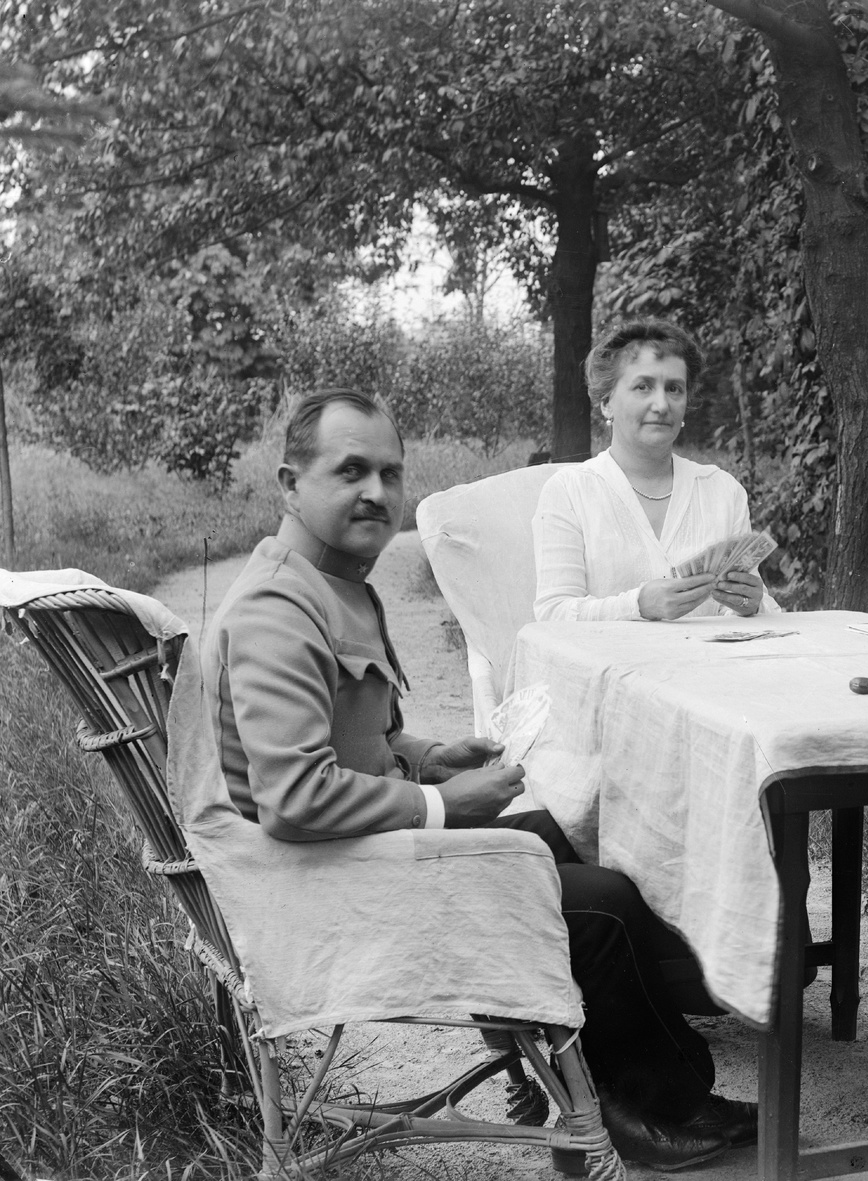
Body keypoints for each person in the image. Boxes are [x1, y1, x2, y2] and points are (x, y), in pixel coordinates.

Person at [201, 388, 756, 1170]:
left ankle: (599, 1070)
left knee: (567, 832)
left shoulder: (329, 581)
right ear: (290, 483)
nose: (377, 492)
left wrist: (429, 756)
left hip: (352, 854)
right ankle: (648, 1107)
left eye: (391, 474)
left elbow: (358, 738)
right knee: (603, 906)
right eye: (350, 470)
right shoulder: (277, 609)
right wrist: (439, 803)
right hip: (319, 891)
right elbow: (293, 799)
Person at [533, 318, 778, 623]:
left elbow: (742, 611)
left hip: (708, 666)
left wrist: (749, 604)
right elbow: (552, 614)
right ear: (607, 403)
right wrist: (637, 606)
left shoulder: (722, 490)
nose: (662, 404)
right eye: (643, 386)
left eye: (674, 389)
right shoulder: (570, 491)